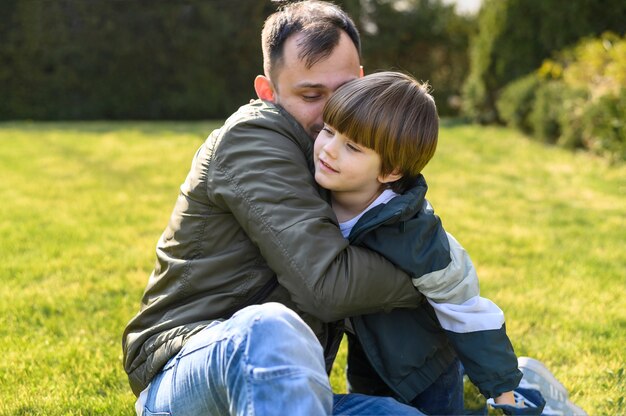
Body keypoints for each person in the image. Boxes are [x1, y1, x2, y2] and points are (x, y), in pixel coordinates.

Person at [123, 2, 427, 415]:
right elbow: (327, 285)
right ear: (269, 91)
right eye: (311, 95)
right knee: (268, 328)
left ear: (361, 81)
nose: (332, 115)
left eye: (343, 92)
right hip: (187, 369)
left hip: (284, 391)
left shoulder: (344, 162)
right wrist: (432, 274)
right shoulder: (253, 137)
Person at [312, 71, 540, 414]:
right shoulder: (308, 194)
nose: (328, 149)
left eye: (353, 147)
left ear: (390, 172)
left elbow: (466, 308)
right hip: (369, 355)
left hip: (428, 367)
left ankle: (522, 390)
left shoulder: (415, 234)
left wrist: (503, 389)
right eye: (328, 130)